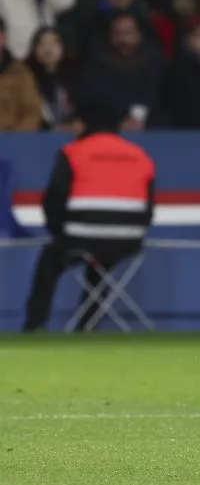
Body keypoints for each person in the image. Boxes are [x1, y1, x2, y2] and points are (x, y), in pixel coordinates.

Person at [23, 96, 155, 332]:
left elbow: (54, 199)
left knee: (49, 262)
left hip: (80, 236)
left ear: (83, 124)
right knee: (101, 263)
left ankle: (34, 326)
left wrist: (58, 230)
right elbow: (148, 207)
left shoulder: (73, 151)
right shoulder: (139, 155)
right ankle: (87, 325)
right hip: (128, 240)